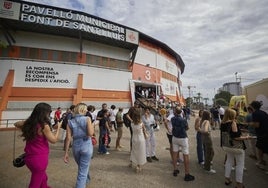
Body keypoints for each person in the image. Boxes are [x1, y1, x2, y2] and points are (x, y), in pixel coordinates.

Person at [15, 102, 62, 188]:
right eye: (49, 112)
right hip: (39, 159)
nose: (49, 114)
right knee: (35, 184)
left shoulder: (30, 124)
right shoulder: (44, 126)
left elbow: (16, 123)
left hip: (29, 157)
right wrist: (59, 128)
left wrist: (27, 123)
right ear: (44, 113)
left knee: (44, 178)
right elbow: (54, 140)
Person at [64, 103, 94, 188]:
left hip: (76, 147)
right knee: (82, 170)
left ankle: (86, 179)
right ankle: (80, 185)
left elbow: (68, 138)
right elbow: (90, 134)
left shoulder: (70, 122)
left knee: (82, 167)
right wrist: (93, 125)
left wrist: (66, 153)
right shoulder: (87, 119)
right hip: (86, 146)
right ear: (83, 110)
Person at [220, 108, 252, 188]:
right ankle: (239, 184)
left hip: (227, 146)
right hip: (236, 147)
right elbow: (236, 137)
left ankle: (227, 179)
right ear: (232, 115)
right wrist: (246, 137)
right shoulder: (233, 123)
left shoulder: (222, 123)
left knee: (229, 161)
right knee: (240, 164)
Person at [171, 107, 195, 181]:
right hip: (182, 138)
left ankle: (175, 169)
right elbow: (187, 128)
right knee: (185, 155)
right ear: (181, 112)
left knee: (175, 154)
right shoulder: (183, 120)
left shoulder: (172, 119)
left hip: (175, 137)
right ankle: (187, 174)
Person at [247, 101, 268, 170]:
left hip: (262, 134)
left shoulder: (255, 113)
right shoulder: (263, 112)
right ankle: (261, 161)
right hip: (265, 132)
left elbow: (257, 125)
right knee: (262, 148)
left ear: (252, 106)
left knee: (260, 148)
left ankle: (261, 162)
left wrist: (250, 124)